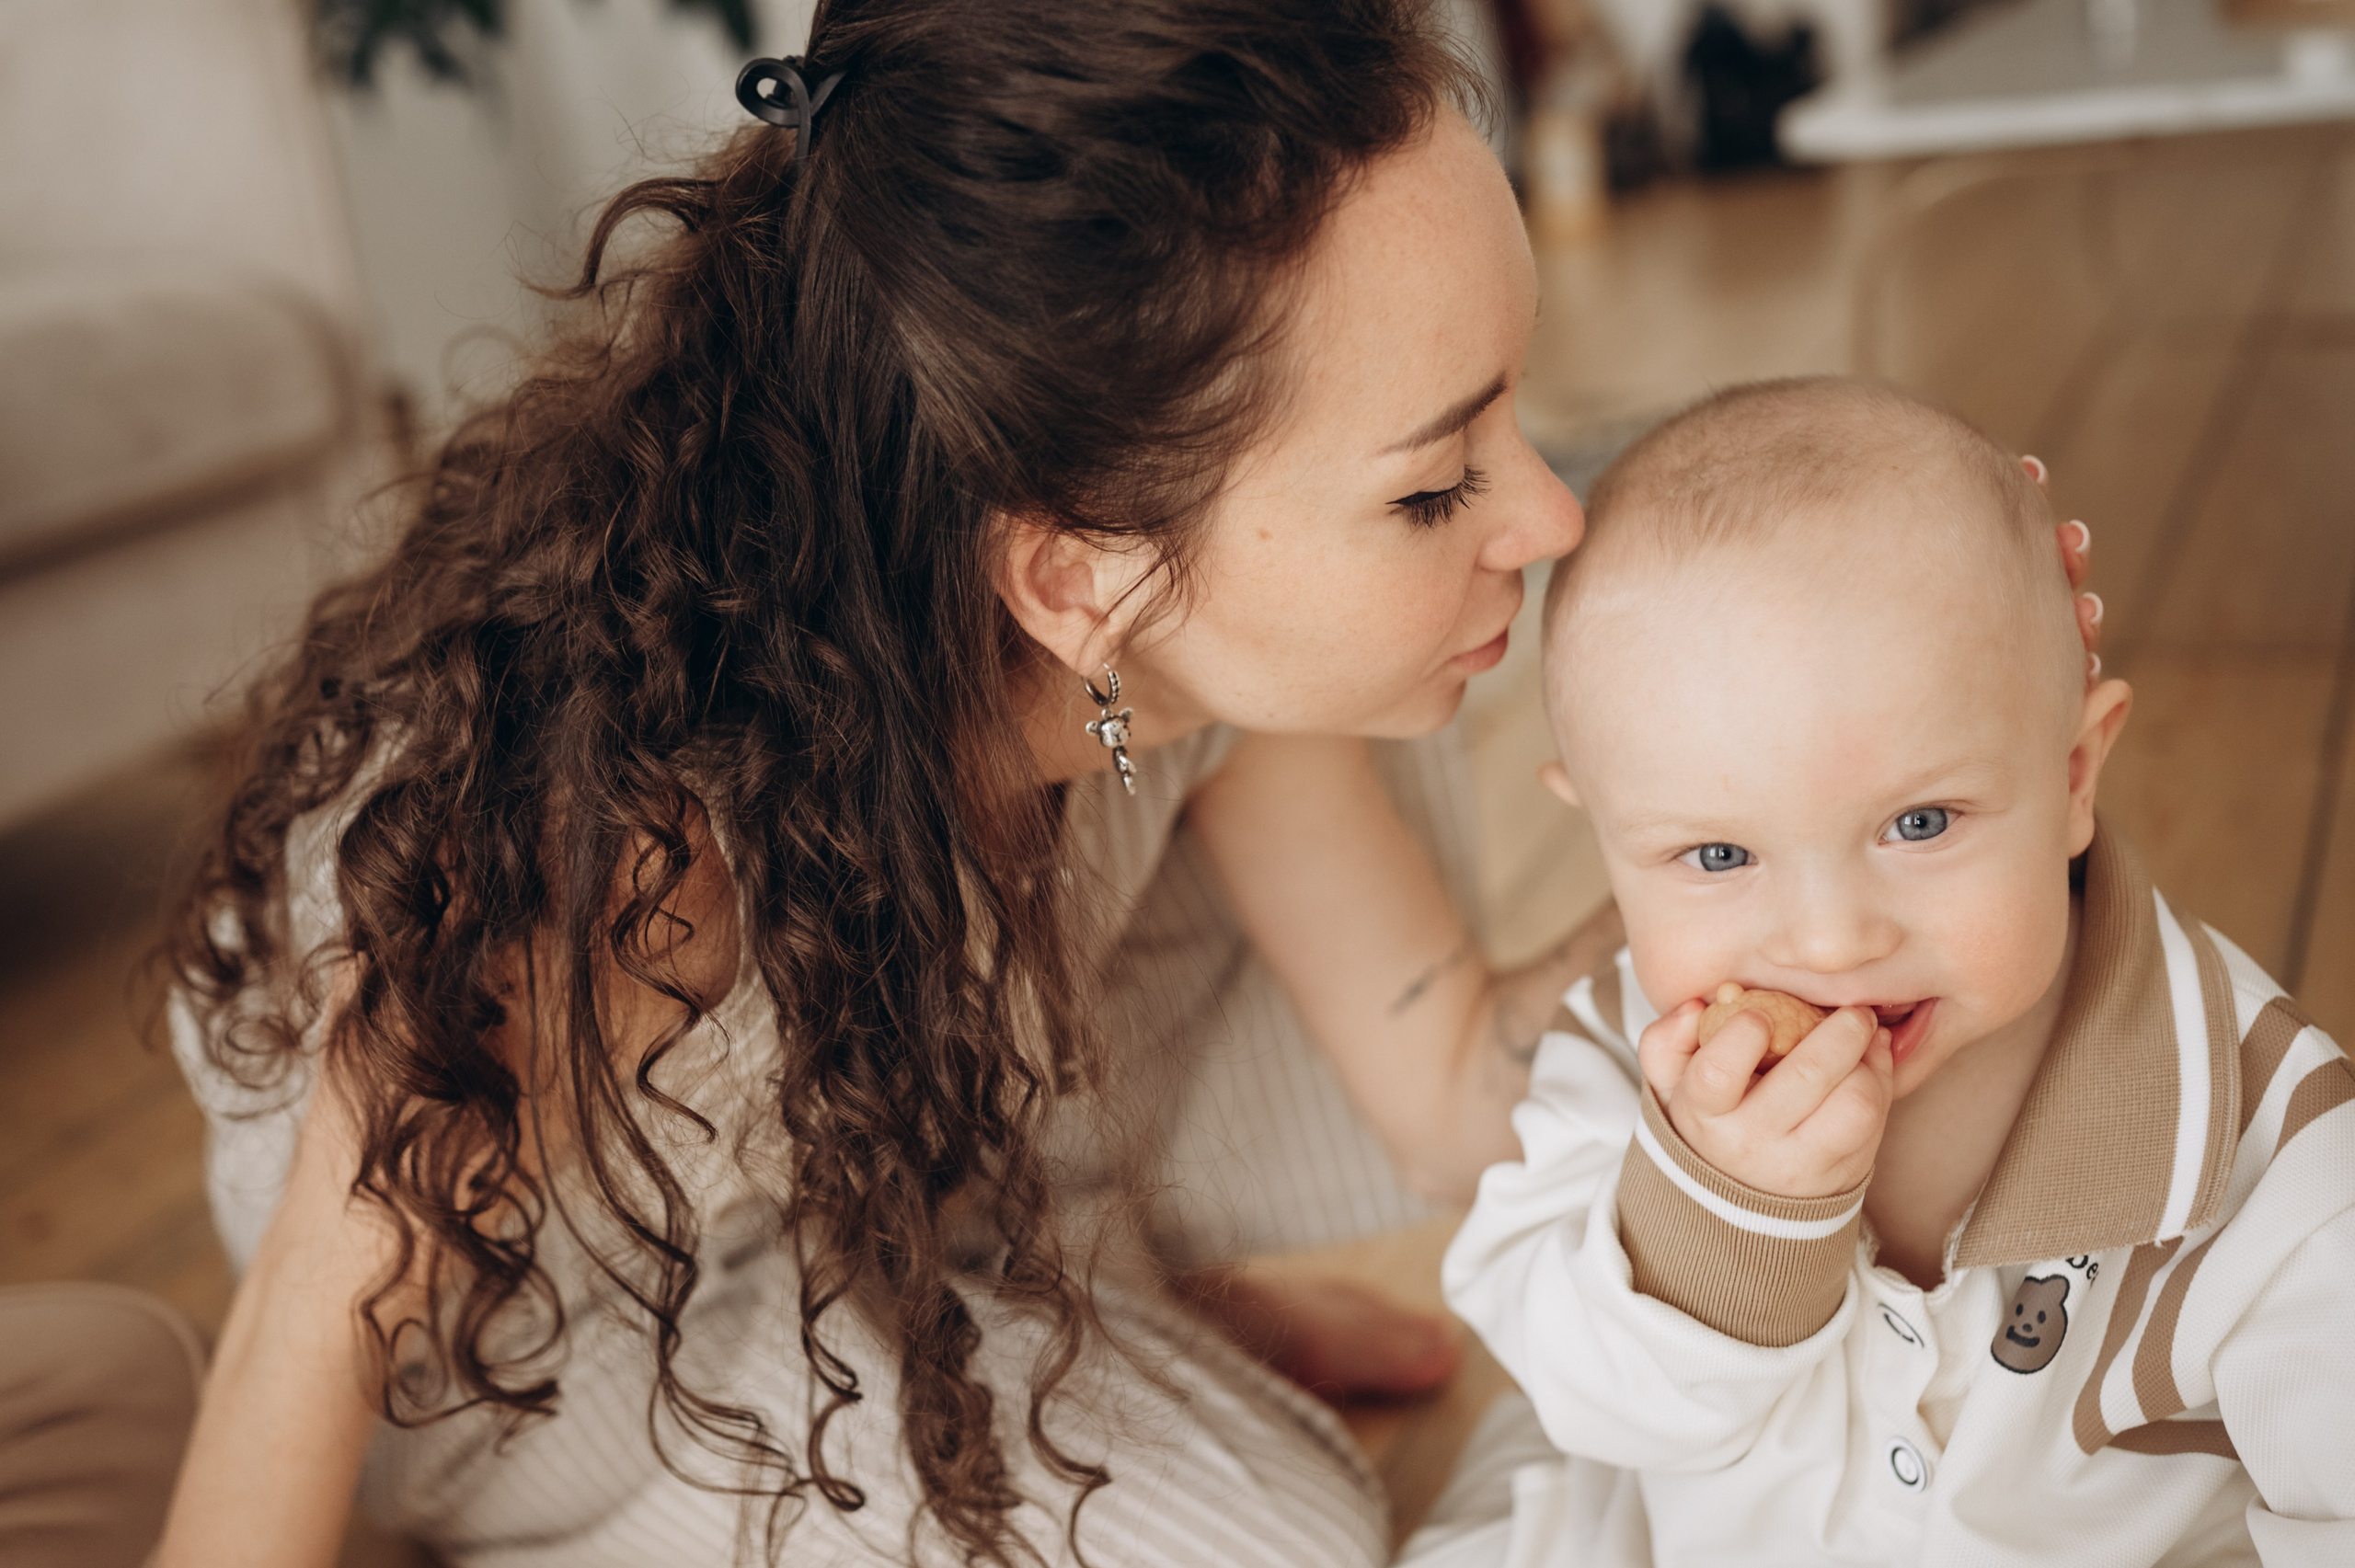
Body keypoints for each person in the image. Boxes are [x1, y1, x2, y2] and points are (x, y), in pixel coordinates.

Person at [141, 3, 1617, 1564]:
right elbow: (317, 1315)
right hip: (532, 1338)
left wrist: (1772, 895)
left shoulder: (1162, 649)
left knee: (1382, 683)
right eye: (1435, 482)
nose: (1547, 516)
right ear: (1078, 572)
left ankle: (1104, 1296)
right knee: (1279, 1539)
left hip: (861, 1168)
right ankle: (1069, 1322)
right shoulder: (636, 861)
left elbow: (1455, 1076)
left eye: (1516, 410)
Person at [1425, 378, 2355, 1567]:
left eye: (1919, 825)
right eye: (1718, 854)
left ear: (2075, 774)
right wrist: (1728, 1215)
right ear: (1602, 832)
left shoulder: (2264, 1148)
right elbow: (1589, 1400)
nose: (1827, 942)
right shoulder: (1624, 1051)